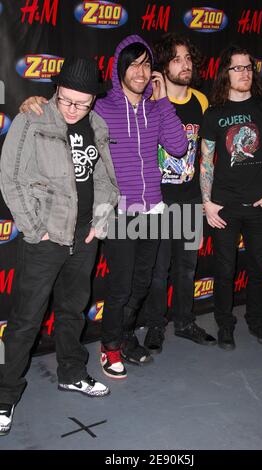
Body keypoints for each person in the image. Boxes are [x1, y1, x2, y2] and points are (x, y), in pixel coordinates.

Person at [18, 35, 188, 379]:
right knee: (121, 286)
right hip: (119, 210)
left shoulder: (157, 108)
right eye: (132, 63)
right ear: (118, 67)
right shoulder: (102, 106)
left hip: (154, 210)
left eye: (145, 63)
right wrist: (35, 102)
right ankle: (110, 347)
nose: (140, 71)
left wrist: (165, 101)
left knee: (142, 284)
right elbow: (68, 110)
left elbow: (179, 146)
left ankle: (124, 336)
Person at [0, 57, 120, 436]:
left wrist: (100, 221)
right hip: (47, 238)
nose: (73, 110)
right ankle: (5, 396)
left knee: (72, 311)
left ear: (92, 101)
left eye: (81, 104)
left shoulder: (96, 124)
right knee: (25, 322)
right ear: (55, 92)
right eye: (67, 101)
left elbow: (106, 181)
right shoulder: (32, 119)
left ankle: (71, 372)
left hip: (84, 236)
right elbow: (11, 179)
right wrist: (36, 229)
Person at [200, 45, 262, 350]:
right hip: (224, 207)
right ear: (225, 73)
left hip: (259, 207)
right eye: (237, 68)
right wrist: (208, 203)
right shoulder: (214, 114)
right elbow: (206, 161)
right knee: (224, 271)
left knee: (258, 269)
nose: (244, 73)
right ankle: (225, 324)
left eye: (248, 67)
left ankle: (257, 322)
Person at [142, 33, 216, 354]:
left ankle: (184, 322)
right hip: (157, 203)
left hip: (189, 200)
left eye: (188, 59)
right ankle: (155, 326)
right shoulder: (149, 101)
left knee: (187, 267)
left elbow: (207, 156)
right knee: (158, 271)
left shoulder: (201, 101)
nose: (185, 65)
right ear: (162, 65)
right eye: (176, 59)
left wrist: (204, 197)